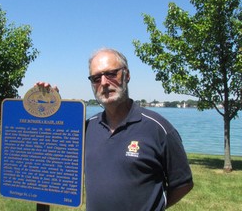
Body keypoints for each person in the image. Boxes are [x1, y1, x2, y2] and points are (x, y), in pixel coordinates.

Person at [36, 48, 193, 211]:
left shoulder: (159, 128)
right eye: (96, 78)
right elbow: (53, 156)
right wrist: (54, 111)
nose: (104, 82)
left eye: (111, 74)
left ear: (127, 75)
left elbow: (183, 183)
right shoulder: (87, 128)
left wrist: (155, 206)